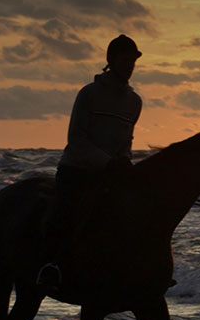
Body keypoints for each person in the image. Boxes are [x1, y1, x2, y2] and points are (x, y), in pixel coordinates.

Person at [37, 34, 144, 290]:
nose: (129, 65)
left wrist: (125, 160)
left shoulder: (134, 102)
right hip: (77, 169)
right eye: (124, 60)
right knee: (65, 214)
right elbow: (76, 138)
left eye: (133, 61)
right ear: (111, 61)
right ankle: (51, 267)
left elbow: (126, 141)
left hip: (111, 173)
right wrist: (107, 162)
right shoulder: (89, 94)